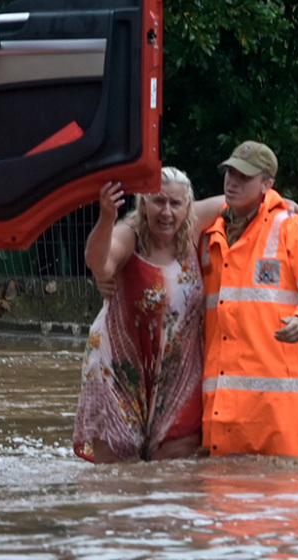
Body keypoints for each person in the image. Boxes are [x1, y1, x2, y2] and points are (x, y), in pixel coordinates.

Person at [200, 140, 298, 463]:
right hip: (224, 426)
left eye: (244, 176)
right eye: (229, 173)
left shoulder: (294, 229)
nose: (232, 181)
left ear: (268, 184)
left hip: (286, 429)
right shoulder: (211, 236)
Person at [73, 167, 206, 462]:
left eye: (175, 203)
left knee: (174, 465)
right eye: (158, 201)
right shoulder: (130, 235)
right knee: (120, 472)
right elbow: (100, 264)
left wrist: (288, 206)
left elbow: (240, 198)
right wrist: (107, 218)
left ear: (188, 206)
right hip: (118, 366)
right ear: (143, 204)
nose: (167, 212)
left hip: (177, 373)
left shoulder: (193, 230)